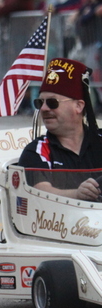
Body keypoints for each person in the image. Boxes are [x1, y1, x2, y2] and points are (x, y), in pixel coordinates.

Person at [18, 58, 102, 201]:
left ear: (79, 106)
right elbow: (40, 191)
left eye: (52, 102)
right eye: (40, 102)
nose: (43, 109)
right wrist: (77, 194)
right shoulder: (36, 151)